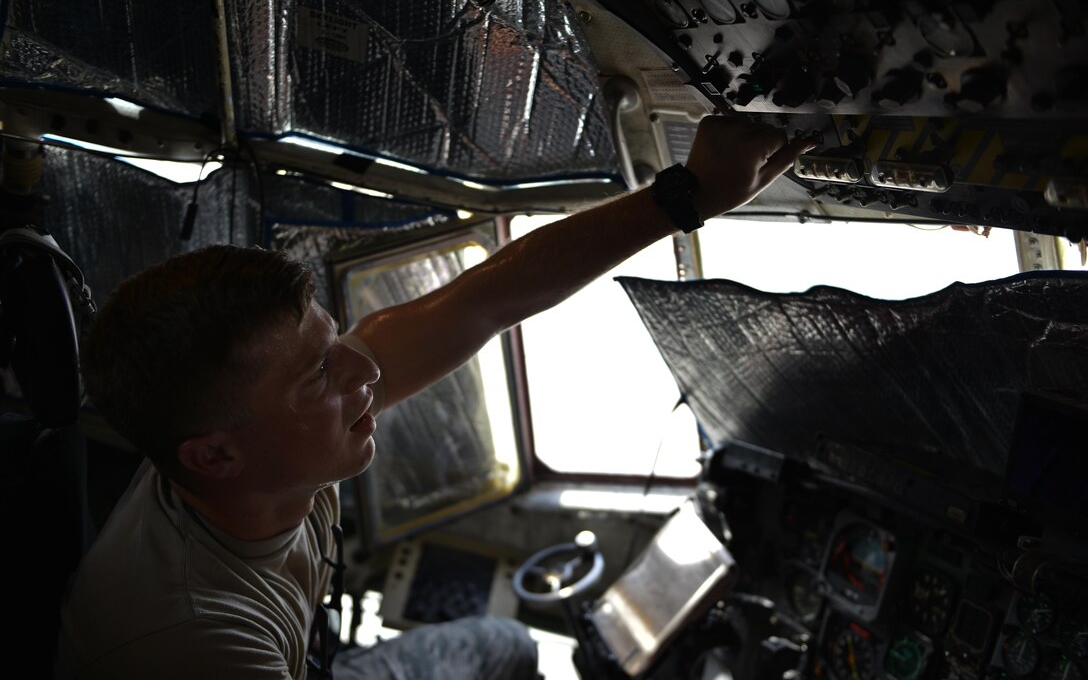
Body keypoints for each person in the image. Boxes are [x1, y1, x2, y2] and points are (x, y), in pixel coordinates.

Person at [54, 115, 813, 679]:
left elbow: (482, 301)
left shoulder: (255, 453)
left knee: (507, 646)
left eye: (335, 341)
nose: (365, 372)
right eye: (319, 374)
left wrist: (688, 196)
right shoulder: (189, 640)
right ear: (215, 454)